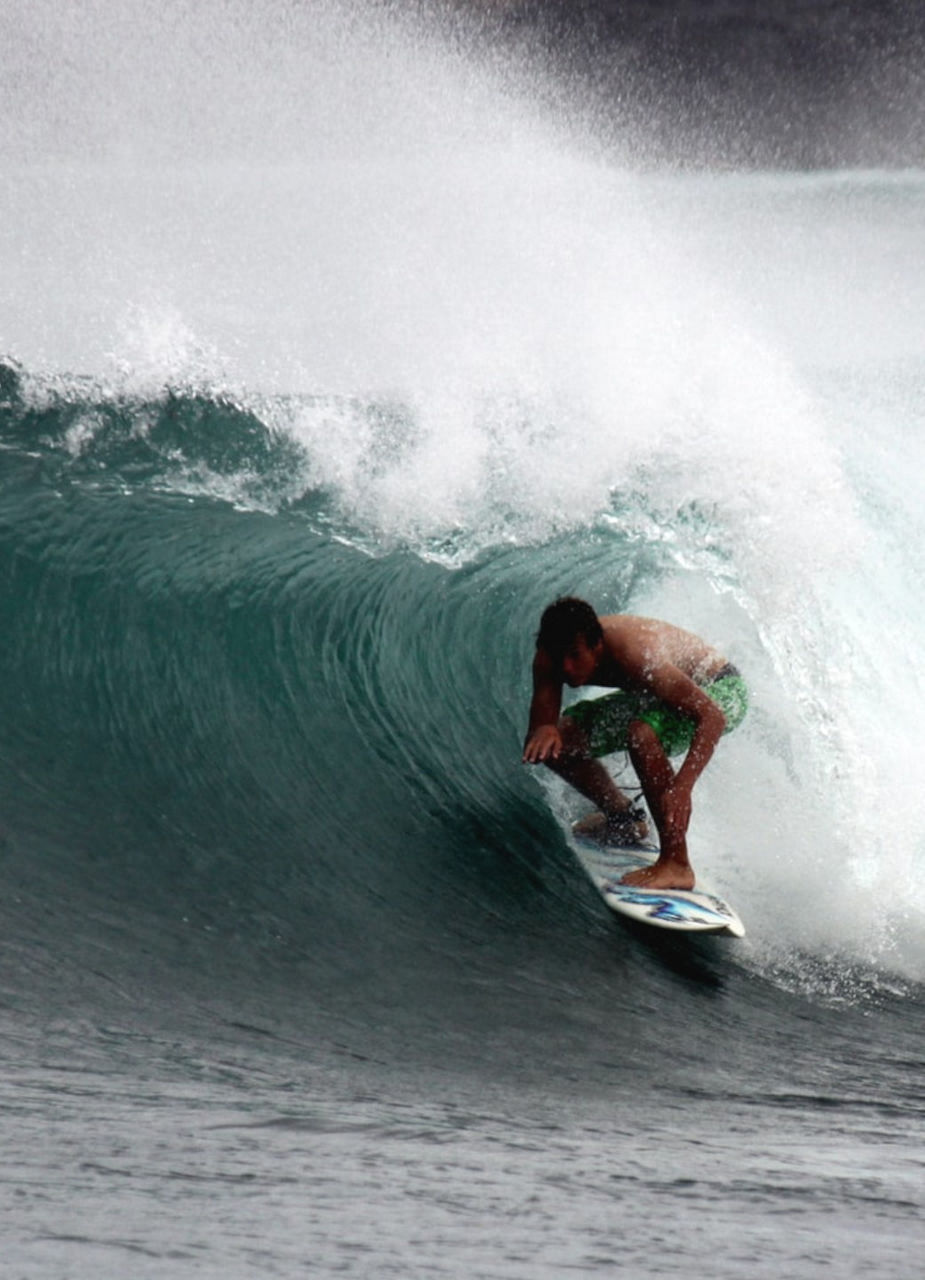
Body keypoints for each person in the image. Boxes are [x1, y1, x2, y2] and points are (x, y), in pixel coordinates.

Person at [522, 597, 748, 890]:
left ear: (597, 645)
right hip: (658, 693)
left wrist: (683, 787)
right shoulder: (550, 656)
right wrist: (543, 730)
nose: (565, 667)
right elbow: (542, 727)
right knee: (559, 742)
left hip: (719, 690)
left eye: (575, 655)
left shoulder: (636, 653)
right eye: (558, 657)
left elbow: (712, 717)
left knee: (642, 734)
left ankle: (677, 864)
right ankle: (624, 819)